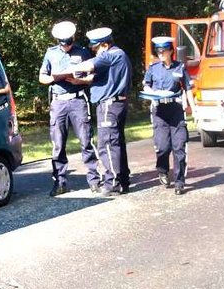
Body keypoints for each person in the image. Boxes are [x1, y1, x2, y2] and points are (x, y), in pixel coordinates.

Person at [69, 27, 132, 196]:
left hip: (109, 106)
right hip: (116, 104)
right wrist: (79, 80)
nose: (94, 52)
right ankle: (123, 180)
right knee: (117, 143)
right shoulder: (117, 56)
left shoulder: (111, 55)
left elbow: (89, 65)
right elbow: (99, 77)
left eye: (95, 48)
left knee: (107, 144)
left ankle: (112, 183)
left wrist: (69, 68)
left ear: (104, 44)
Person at [39, 21, 100, 196]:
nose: (66, 46)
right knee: (58, 145)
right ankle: (60, 182)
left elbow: (93, 74)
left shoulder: (82, 52)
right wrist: (54, 78)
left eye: (68, 43)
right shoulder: (50, 53)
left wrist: (79, 81)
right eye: (62, 43)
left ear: (73, 39)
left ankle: (94, 181)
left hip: (78, 101)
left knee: (86, 141)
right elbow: (42, 77)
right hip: (58, 103)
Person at [143, 36, 195, 195]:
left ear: (171, 51)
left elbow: (188, 88)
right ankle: (163, 170)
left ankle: (180, 182)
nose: (160, 54)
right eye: (158, 52)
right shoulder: (153, 68)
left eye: (163, 51)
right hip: (159, 111)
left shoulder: (180, 68)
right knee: (162, 147)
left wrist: (194, 108)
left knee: (179, 147)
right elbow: (146, 85)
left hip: (175, 110)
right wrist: (151, 92)